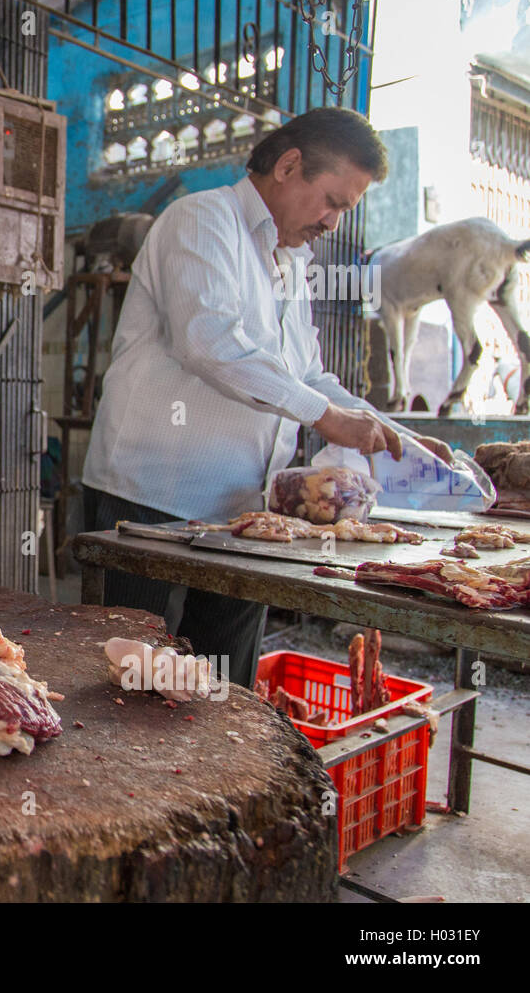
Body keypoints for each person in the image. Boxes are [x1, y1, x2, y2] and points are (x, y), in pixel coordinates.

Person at [81, 107, 453, 688]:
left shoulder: (290, 264)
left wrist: (389, 430)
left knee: (222, 686)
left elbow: (309, 376)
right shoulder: (202, 220)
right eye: (333, 201)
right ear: (288, 165)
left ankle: (214, 783)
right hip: (149, 498)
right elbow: (209, 342)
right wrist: (325, 417)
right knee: (125, 681)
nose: (333, 222)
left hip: (245, 512)